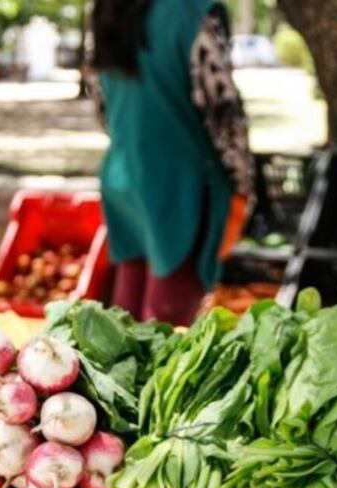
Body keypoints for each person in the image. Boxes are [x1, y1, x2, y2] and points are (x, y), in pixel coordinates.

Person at [90, 0, 252, 325]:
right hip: (181, 188)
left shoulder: (109, 8)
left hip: (125, 177)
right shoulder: (194, 11)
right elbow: (222, 113)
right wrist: (244, 184)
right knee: (166, 325)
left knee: (125, 321)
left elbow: (101, 102)